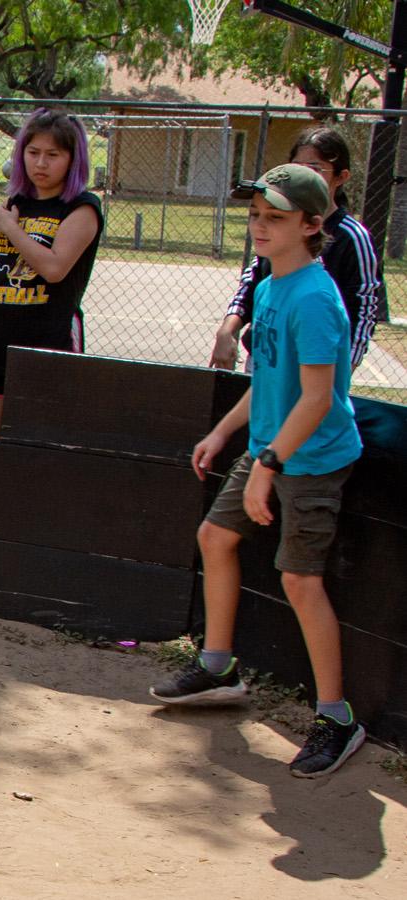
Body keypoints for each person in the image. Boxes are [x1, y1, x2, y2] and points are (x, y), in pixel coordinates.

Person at [153, 164, 367, 779]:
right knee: (215, 536)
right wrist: (224, 433)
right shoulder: (272, 286)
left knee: (300, 580)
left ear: (312, 225)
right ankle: (218, 666)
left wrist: (269, 465)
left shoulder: (316, 298)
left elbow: (319, 398)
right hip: (270, 449)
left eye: (274, 219)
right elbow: (272, 379)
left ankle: (338, 717)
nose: (259, 228)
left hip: (311, 461)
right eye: (254, 217)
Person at [0, 108, 101, 441]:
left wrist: (11, 230)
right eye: (33, 153)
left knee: (40, 450)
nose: (41, 164)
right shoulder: (15, 203)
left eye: (52, 155)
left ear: (72, 159)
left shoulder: (82, 207)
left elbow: (54, 268)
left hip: (49, 342)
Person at [210, 127, 384, 372]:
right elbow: (254, 281)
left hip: (314, 364)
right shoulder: (273, 248)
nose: (261, 225)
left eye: (314, 168)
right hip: (266, 358)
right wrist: (228, 329)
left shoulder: (348, 244)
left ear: (341, 176)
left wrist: (343, 371)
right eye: (255, 214)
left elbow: (363, 311)